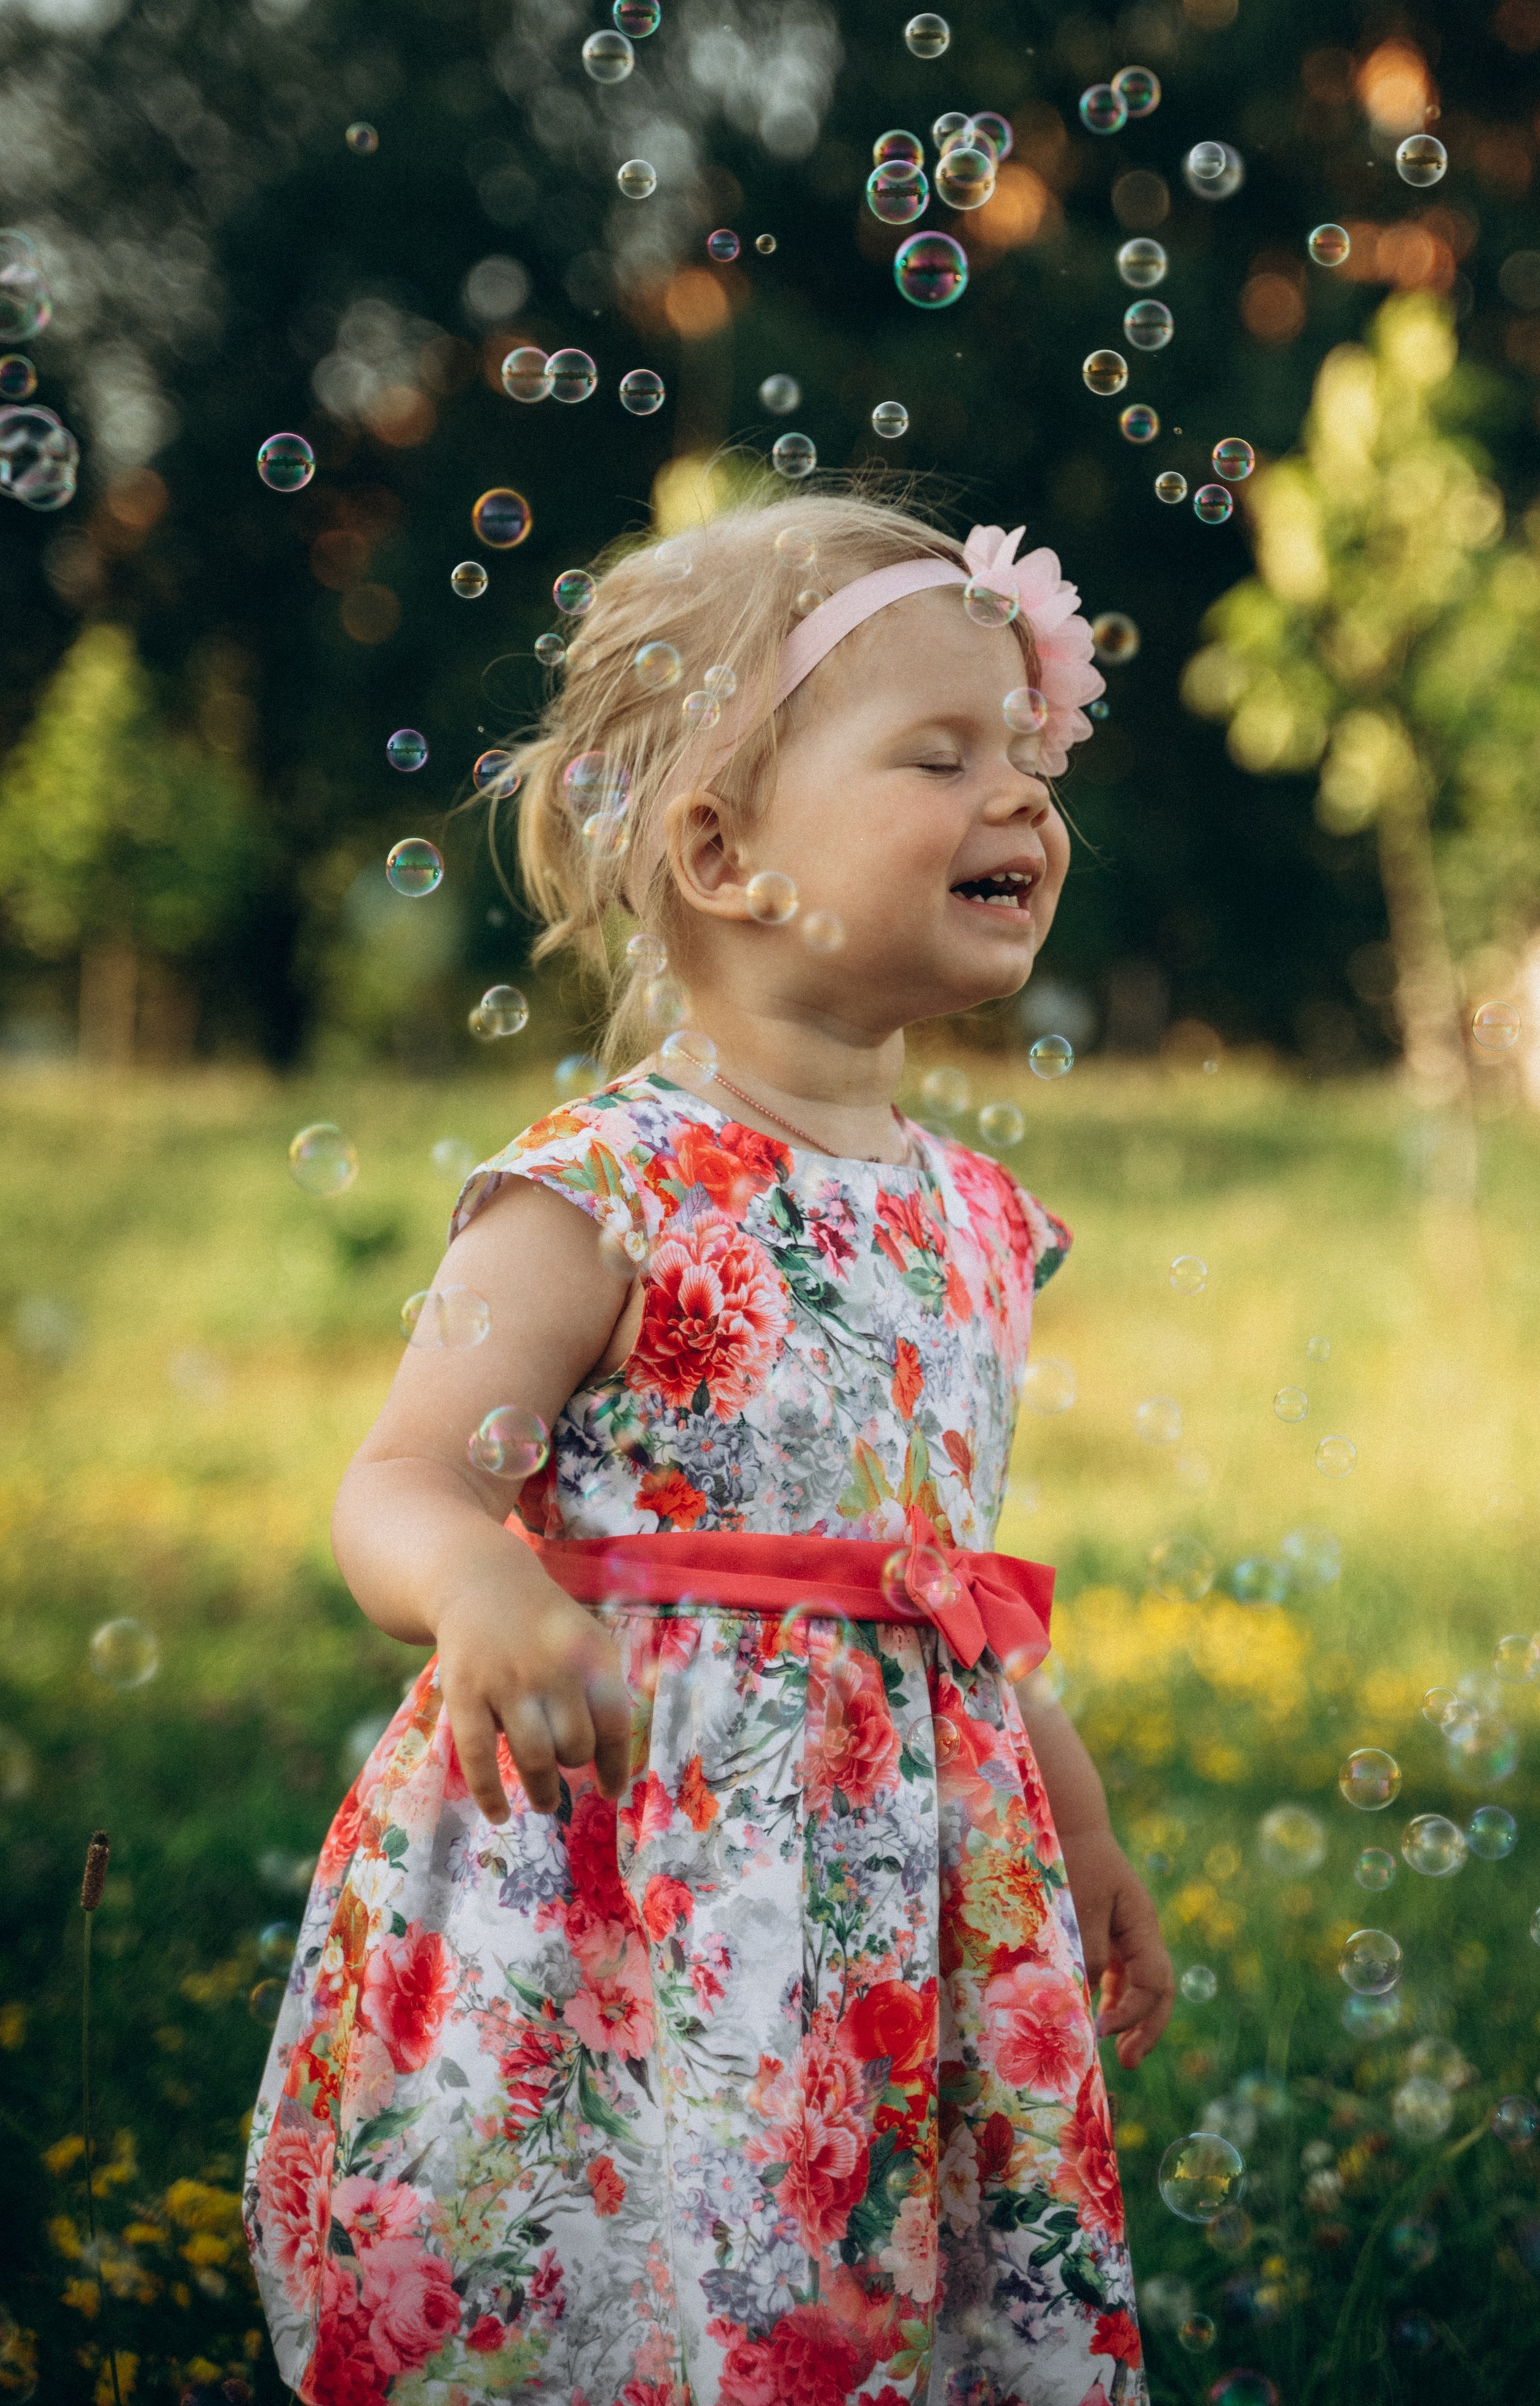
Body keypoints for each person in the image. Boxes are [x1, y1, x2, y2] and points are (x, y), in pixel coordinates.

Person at [244, 494, 1173, 2406]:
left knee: (854, 2292)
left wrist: (1069, 1808)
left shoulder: (978, 1217)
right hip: (640, 1856)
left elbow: (939, 1584)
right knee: (635, 2273)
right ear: (723, 846)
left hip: (889, 1887)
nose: (1022, 800)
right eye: (943, 753)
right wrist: (481, 1579)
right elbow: (399, 1475)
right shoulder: (601, 1189)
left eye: (1029, 753)